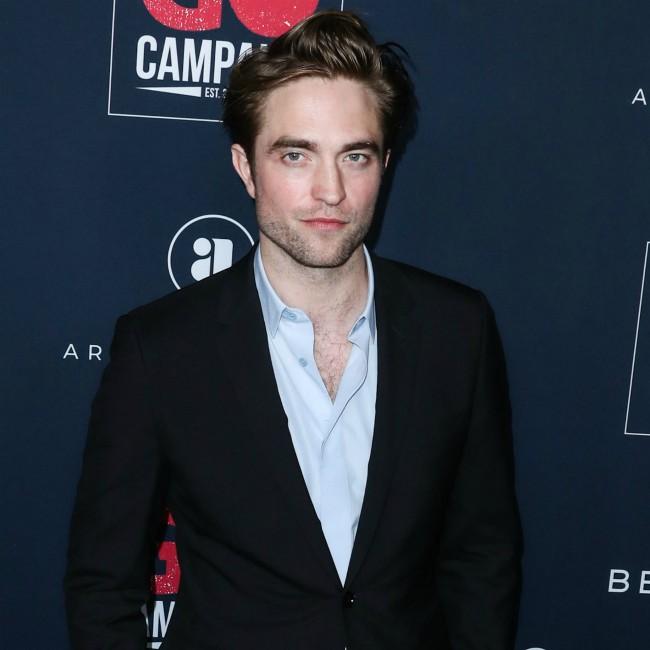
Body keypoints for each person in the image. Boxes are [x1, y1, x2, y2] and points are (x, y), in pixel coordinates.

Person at [64, 10, 521, 650]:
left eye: (354, 156)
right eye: (296, 155)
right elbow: (103, 587)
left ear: (385, 164)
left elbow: (482, 557)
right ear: (246, 166)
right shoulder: (161, 349)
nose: (330, 191)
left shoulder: (457, 331)